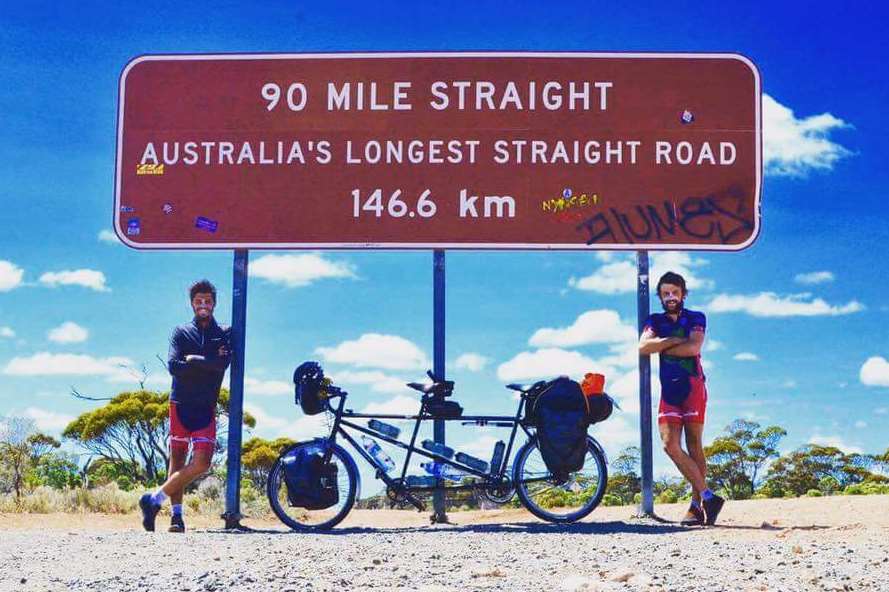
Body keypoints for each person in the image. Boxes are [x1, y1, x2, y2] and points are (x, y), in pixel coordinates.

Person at [140, 280, 231, 532]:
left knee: (202, 463)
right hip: (180, 402)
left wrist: (192, 360)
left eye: (208, 300)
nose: (203, 305)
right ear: (192, 303)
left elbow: (222, 365)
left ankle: (153, 500)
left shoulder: (224, 332)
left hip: (206, 406)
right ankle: (176, 518)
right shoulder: (181, 332)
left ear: (214, 303)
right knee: (177, 459)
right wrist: (205, 362)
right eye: (199, 301)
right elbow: (174, 366)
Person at [638, 271, 724, 526]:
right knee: (669, 445)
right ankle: (709, 496)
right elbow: (643, 347)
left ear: (683, 294)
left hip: (693, 385)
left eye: (675, 292)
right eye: (666, 293)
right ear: (660, 296)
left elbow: (694, 347)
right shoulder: (655, 320)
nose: (671, 297)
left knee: (694, 443)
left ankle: (696, 507)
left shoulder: (696, 318)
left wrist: (661, 345)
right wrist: (675, 340)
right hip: (669, 389)